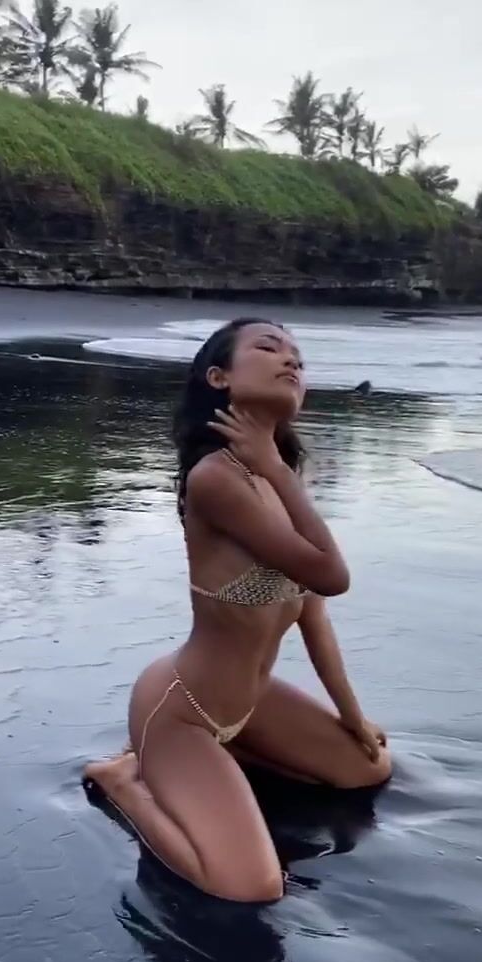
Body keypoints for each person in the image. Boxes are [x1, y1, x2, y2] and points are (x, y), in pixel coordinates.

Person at [84, 318, 391, 903]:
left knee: (368, 768)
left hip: (248, 706)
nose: (292, 360)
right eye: (269, 348)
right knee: (252, 887)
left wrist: (352, 717)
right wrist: (273, 466)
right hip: (183, 712)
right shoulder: (216, 480)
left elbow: (314, 611)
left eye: (299, 355)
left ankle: (227, 757)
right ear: (218, 377)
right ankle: (123, 780)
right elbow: (334, 576)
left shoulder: (280, 479)